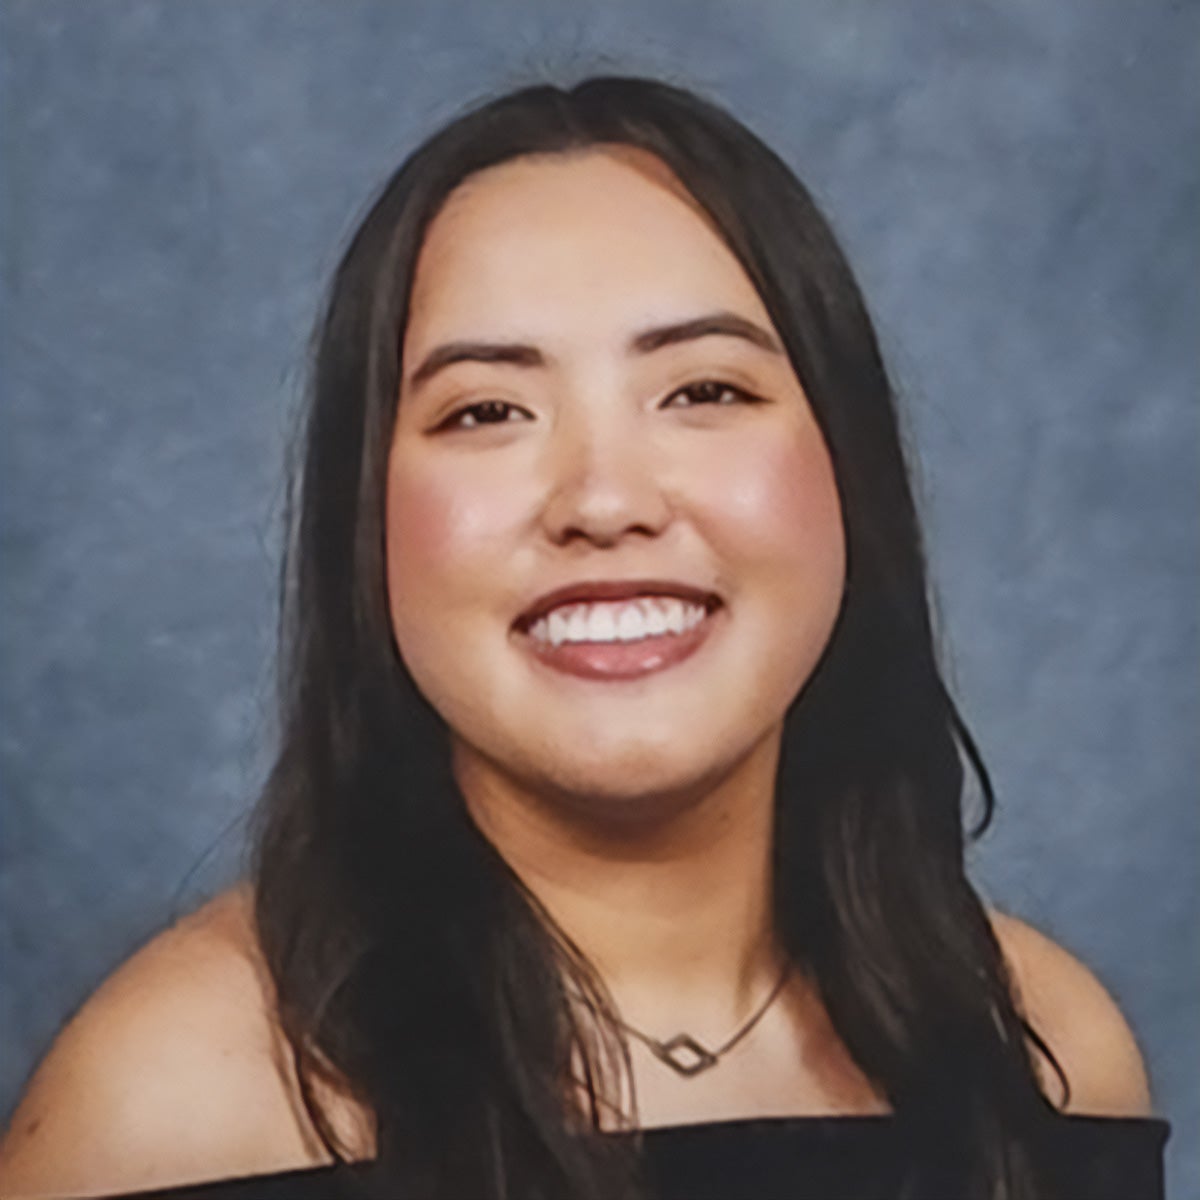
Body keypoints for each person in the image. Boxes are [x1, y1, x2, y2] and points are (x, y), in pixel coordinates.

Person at [0, 77, 1168, 1200]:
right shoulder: (167, 1114)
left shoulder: (1042, 1055)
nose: (604, 500)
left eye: (704, 392)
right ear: (367, 524)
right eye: (487, 411)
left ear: (848, 474)